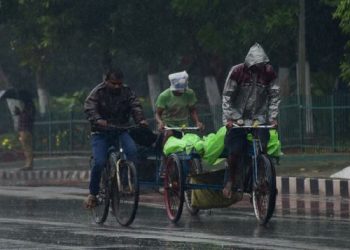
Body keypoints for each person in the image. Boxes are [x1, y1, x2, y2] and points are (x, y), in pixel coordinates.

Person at [222, 43, 280, 198]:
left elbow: (274, 96)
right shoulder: (237, 71)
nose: (258, 68)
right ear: (249, 63)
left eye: (261, 65)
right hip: (237, 118)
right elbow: (227, 96)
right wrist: (228, 118)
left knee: (263, 148)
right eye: (256, 66)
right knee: (235, 151)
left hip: (258, 117)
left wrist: (273, 118)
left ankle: (263, 177)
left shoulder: (269, 73)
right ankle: (230, 179)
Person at [84, 68, 148, 209]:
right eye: (113, 83)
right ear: (106, 81)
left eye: (119, 83)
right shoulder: (97, 93)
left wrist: (140, 120)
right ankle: (93, 194)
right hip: (101, 132)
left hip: (121, 129)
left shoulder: (127, 91)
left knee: (132, 152)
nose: (117, 86)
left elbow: (135, 106)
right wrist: (98, 119)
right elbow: (90, 108)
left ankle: (124, 183)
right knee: (99, 162)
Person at [155, 71, 204, 175]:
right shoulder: (164, 96)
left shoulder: (189, 93)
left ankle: (193, 170)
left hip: (183, 126)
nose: (180, 92)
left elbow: (192, 110)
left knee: (191, 144)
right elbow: (158, 114)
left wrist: (197, 122)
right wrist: (160, 123)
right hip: (168, 126)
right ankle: (165, 164)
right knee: (169, 135)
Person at [16, 91, 36, 171]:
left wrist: (20, 113)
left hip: (26, 129)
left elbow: (28, 117)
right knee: (26, 147)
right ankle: (28, 163)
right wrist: (19, 112)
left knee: (27, 147)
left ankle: (29, 164)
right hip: (23, 129)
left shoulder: (30, 107)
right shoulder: (27, 108)